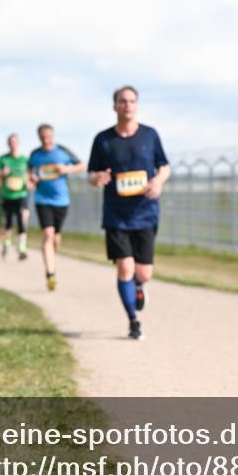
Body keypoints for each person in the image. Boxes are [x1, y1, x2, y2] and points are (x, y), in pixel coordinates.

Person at [88, 86, 170, 340]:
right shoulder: (103, 139)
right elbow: (91, 174)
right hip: (116, 215)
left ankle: (138, 286)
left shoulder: (149, 135)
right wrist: (97, 178)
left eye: (132, 101)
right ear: (115, 106)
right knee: (125, 267)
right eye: (122, 101)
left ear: (137, 105)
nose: (127, 105)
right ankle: (133, 321)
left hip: (145, 212)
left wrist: (158, 182)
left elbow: (164, 166)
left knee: (143, 272)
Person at [28, 124, 85, 290]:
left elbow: (82, 165)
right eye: (43, 137)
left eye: (49, 136)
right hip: (42, 200)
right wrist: (31, 177)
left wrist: (67, 169)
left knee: (56, 238)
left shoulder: (63, 151)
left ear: (53, 136)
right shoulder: (35, 154)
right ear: (39, 137)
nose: (46, 139)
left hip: (61, 201)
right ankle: (50, 273)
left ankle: (52, 257)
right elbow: (29, 172)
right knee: (48, 234)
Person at [0, 134, 31, 261]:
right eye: (10, 142)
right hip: (7, 195)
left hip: (21, 194)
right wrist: (2, 173)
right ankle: (6, 244)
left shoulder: (24, 160)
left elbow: (30, 176)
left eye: (15, 142)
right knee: (7, 223)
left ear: (18, 143)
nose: (13, 144)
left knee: (22, 218)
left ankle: (22, 247)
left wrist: (29, 181)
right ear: (8, 144)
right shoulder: (3, 159)